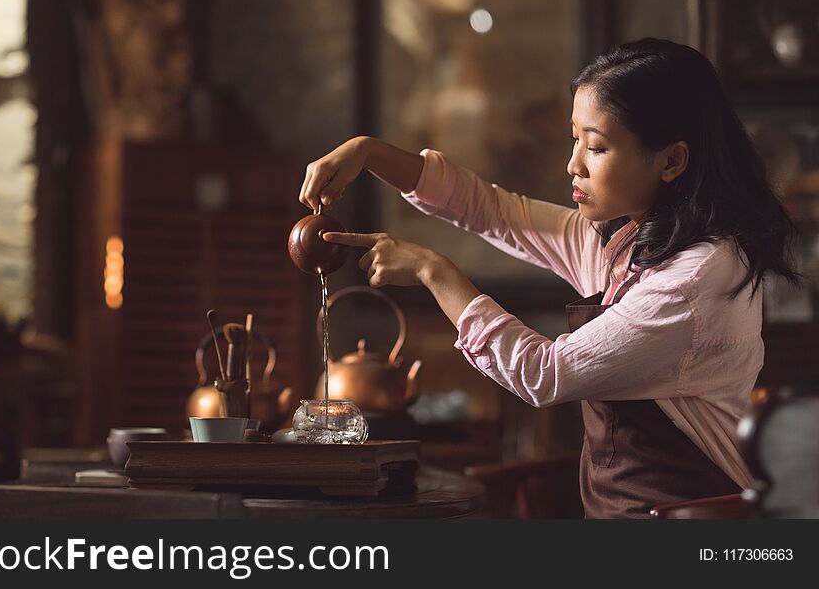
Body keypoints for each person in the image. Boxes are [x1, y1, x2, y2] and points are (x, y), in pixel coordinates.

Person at [298, 38, 801, 518]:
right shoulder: (631, 245)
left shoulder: (693, 281)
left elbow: (544, 373)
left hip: (691, 523)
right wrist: (368, 152)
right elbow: (492, 211)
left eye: (597, 147)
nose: (572, 165)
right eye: (574, 140)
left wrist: (435, 272)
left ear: (671, 160)